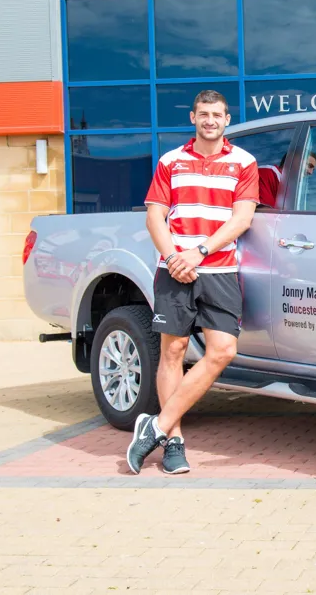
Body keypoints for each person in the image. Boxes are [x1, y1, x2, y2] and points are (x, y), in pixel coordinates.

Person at [127, 89, 260, 475]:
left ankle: (155, 426)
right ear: (193, 117)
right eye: (204, 114)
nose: (210, 120)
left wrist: (198, 253)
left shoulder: (243, 162)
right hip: (173, 271)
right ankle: (173, 444)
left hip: (218, 269)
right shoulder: (171, 161)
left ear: (227, 119)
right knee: (174, 352)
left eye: (217, 114)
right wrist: (173, 259)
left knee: (222, 351)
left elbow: (242, 219)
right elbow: (155, 217)